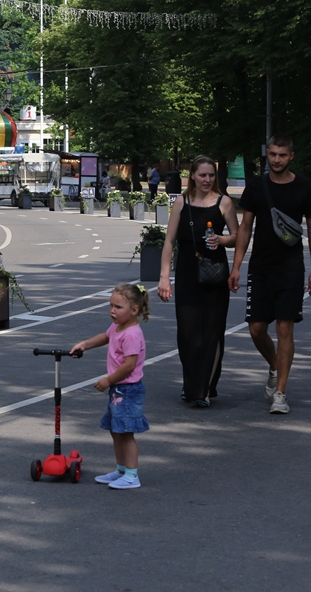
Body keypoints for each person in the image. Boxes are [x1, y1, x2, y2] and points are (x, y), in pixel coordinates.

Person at [228, 136, 311, 414]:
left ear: (291, 157)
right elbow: (245, 227)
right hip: (260, 267)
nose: (276, 160)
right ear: (268, 156)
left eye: (282, 155)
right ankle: (275, 365)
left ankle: (280, 393)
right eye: (273, 155)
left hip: (291, 267)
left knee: (285, 328)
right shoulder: (256, 186)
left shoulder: (304, 186)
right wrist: (237, 266)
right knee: (256, 328)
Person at [157, 156, 239, 407]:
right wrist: (164, 277)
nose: (207, 180)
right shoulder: (182, 202)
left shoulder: (224, 202)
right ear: (192, 175)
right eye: (202, 175)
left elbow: (237, 236)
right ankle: (192, 383)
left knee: (212, 332)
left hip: (215, 273)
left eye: (211, 175)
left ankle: (202, 390)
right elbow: (169, 241)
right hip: (187, 274)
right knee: (188, 333)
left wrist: (221, 241)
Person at [70, 283, 150, 489]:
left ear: (134, 310)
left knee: (126, 432)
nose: (112, 311)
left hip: (129, 389)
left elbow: (130, 365)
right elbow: (106, 337)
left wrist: (109, 380)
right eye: (111, 305)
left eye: (118, 307)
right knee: (116, 430)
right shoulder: (118, 327)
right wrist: (85, 344)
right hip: (119, 389)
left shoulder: (132, 334)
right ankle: (121, 469)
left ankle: (132, 475)